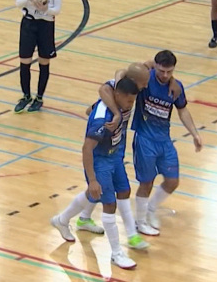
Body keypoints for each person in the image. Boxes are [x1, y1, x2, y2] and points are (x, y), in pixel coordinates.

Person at [50, 77, 148, 270]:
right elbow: (87, 148)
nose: (131, 105)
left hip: (113, 157)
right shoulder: (102, 119)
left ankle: (62, 220)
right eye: (129, 101)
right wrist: (93, 179)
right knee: (108, 203)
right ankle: (117, 254)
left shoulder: (117, 104)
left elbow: (91, 107)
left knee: (122, 191)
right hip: (99, 161)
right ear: (118, 96)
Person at [76, 55, 182, 234]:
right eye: (144, 83)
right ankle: (69, 219)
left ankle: (85, 218)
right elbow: (103, 89)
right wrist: (115, 114)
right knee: (104, 190)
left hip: (118, 142)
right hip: (105, 145)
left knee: (111, 188)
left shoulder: (132, 86)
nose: (147, 86)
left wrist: (170, 79)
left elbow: (148, 64)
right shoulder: (117, 89)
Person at [130, 51, 202, 233]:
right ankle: (140, 222)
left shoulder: (176, 87)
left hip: (164, 139)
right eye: (161, 71)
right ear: (155, 66)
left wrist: (195, 134)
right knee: (146, 182)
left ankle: (151, 209)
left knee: (172, 181)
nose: (165, 75)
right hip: (145, 139)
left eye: (169, 72)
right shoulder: (144, 80)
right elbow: (128, 72)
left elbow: (183, 110)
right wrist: (148, 64)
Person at [14, 0, 65, 113]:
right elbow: (18, 2)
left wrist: (45, 10)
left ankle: (39, 97)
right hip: (29, 23)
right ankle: (26, 95)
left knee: (44, 61)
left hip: (45, 25)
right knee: (25, 61)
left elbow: (57, 9)